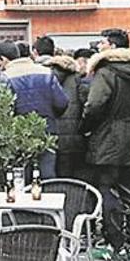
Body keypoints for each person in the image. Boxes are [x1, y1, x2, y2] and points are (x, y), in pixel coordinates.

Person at [82, 28, 130, 257]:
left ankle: (115, 242)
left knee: (107, 189)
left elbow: (94, 105)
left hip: (107, 138)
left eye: (102, 42)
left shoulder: (105, 73)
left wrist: (86, 128)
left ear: (112, 46)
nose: (98, 46)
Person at [0, 40, 68, 179]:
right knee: (47, 174)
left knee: (22, 176)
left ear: (3, 59)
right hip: (47, 131)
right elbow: (62, 102)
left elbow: (2, 109)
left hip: (18, 135)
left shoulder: (6, 77)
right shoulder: (46, 72)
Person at [39, 41, 88, 180]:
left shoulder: (44, 79)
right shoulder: (78, 80)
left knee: (52, 178)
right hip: (75, 138)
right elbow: (87, 107)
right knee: (73, 180)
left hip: (50, 136)